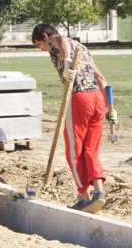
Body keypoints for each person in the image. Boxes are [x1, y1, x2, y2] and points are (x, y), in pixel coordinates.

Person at [32, 23, 117, 214]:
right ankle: (98, 192)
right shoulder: (83, 48)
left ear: (44, 36)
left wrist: (69, 62)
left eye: (39, 44)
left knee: (74, 149)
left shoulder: (55, 41)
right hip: (96, 97)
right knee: (91, 149)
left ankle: (84, 196)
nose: (41, 48)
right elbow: (101, 78)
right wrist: (110, 108)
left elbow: (60, 39)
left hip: (79, 98)